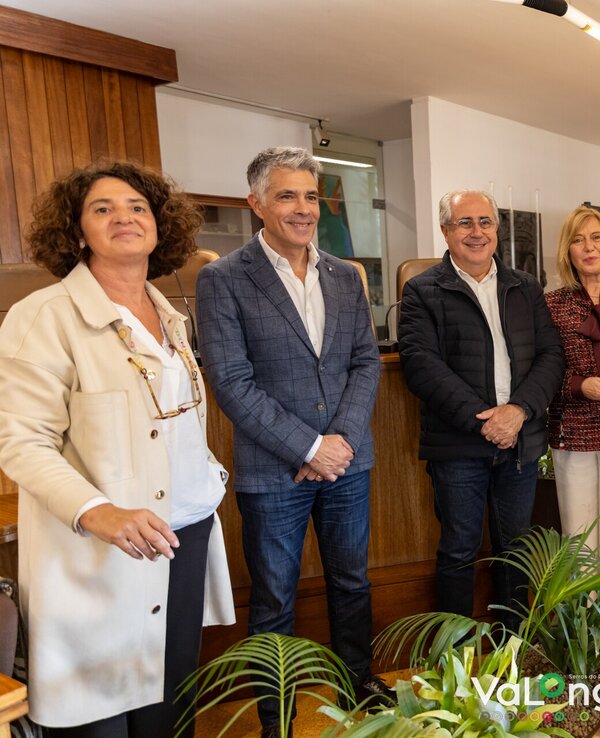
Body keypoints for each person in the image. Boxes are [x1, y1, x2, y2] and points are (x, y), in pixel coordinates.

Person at [0, 161, 235, 737]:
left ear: (159, 224)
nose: (124, 217)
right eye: (102, 208)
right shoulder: (44, 316)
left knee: (168, 709)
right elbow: (21, 441)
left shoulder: (169, 313)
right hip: (99, 547)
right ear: (76, 230)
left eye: (137, 207)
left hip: (182, 533)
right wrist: (97, 511)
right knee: (100, 719)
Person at [195, 146, 386, 738]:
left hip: (347, 463)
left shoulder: (345, 275)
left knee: (351, 582)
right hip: (273, 470)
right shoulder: (223, 278)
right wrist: (308, 448)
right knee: (274, 598)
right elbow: (231, 381)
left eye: (309, 196)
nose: (303, 208)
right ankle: (275, 719)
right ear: (256, 203)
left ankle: (358, 683)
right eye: (286, 196)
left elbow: (364, 362)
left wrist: (339, 442)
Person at [398, 190, 564, 629]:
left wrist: (519, 411)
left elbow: (551, 355)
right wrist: (485, 421)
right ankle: (454, 657)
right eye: (464, 222)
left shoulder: (525, 286)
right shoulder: (422, 290)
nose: (477, 232)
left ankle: (513, 648)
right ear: (445, 231)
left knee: (516, 548)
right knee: (459, 548)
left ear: (497, 228)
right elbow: (421, 365)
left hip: (520, 442)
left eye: (485, 221)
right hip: (458, 445)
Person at [545, 205, 600, 550]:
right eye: (578, 240)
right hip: (574, 432)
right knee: (581, 542)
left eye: (597, 237)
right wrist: (580, 385)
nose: (589, 247)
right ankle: (586, 592)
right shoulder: (551, 305)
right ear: (568, 251)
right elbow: (540, 371)